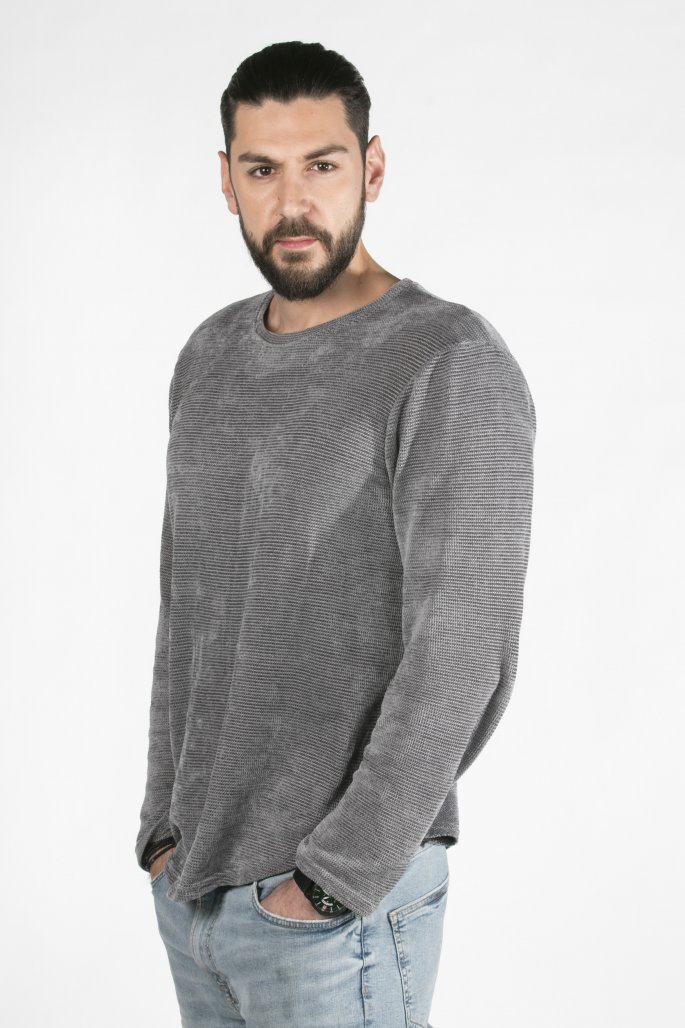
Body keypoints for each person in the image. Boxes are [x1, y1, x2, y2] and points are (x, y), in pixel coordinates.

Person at [135, 39, 536, 1027]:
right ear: (226, 181)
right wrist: (162, 826)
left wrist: (331, 880)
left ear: (373, 167)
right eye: (261, 170)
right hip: (197, 893)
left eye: (322, 164)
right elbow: (186, 611)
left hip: (332, 915)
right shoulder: (209, 355)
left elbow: (463, 650)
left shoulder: (445, 359)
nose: (293, 202)